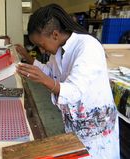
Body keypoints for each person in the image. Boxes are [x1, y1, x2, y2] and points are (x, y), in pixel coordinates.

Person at [15, 3, 120, 159]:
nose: (41, 50)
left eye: (41, 45)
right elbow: (50, 72)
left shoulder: (87, 47)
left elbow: (74, 91)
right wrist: (28, 60)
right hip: (76, 125)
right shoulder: (58, 49)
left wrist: (44, 80)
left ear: (55, 35)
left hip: (96, 130)